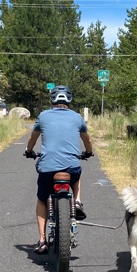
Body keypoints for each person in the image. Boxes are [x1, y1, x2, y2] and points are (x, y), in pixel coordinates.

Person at [24, 85, 93, 254]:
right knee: (76, 174)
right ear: (69, 100)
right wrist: (88, 152)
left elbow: (33, 138)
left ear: (52, 100)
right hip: (71, 167)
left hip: (48, 168)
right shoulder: (77, 117)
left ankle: (42, 240)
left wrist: (29, 151)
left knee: (42, 199)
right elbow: (87, 140)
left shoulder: (43, 116)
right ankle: (77, 201)